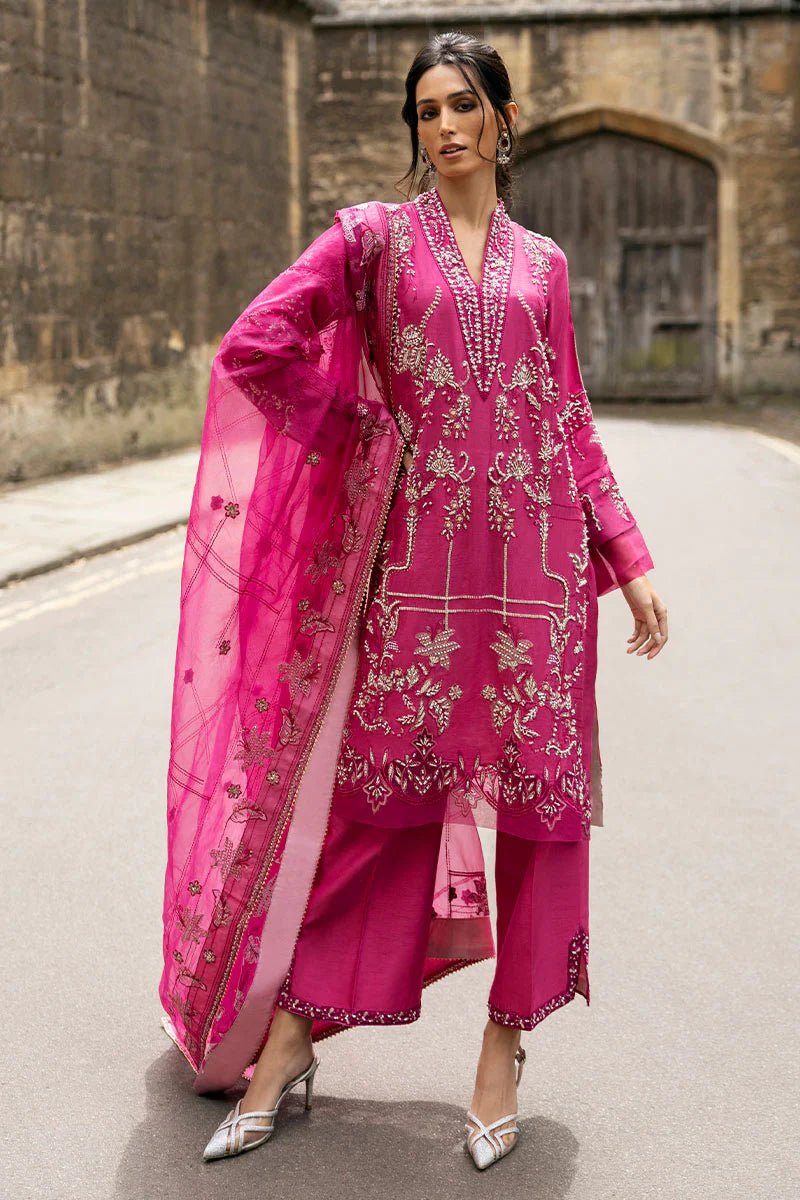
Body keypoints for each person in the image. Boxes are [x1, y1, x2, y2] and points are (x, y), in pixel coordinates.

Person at [159, 31, 668, 1172]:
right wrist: (360, 435)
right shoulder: (374, 242)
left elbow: (567, 416)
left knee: (540, 814)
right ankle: (290, 1042)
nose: (441, 128)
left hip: (537, 586)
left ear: (501, 120)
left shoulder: (543, 263)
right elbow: (257, 347)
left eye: (461, 106)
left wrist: (625, 552)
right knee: (376, 817)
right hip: (418, 588)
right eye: (424, 111)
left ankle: (502, 1051)